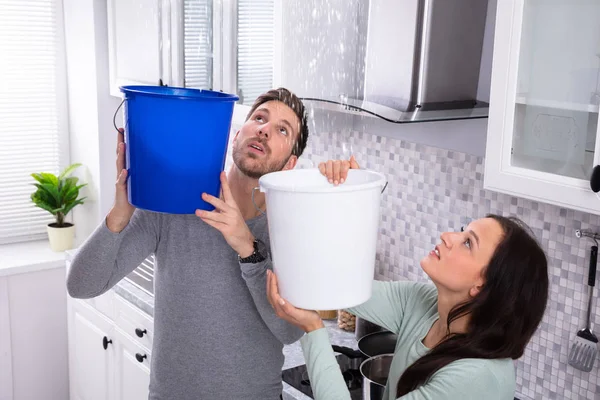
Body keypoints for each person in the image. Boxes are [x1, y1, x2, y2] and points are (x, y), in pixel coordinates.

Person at [66, 87, 356, 400]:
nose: (264, 130)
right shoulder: (174, 207)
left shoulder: (288, 229)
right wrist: (119, 214)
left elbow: (290, 331)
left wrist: (247, 247)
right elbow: (81, 285)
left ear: (290, 164)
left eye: (281, 130)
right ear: (235, 135)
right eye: (260, 118)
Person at [267, 214, 549, 400]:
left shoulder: (474, 379)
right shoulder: (426, 304)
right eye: (463, 230)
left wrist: (312, 329)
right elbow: (334, 280)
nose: (447, 236)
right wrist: (346, 199)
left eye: (467, 242)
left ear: (483, 285)